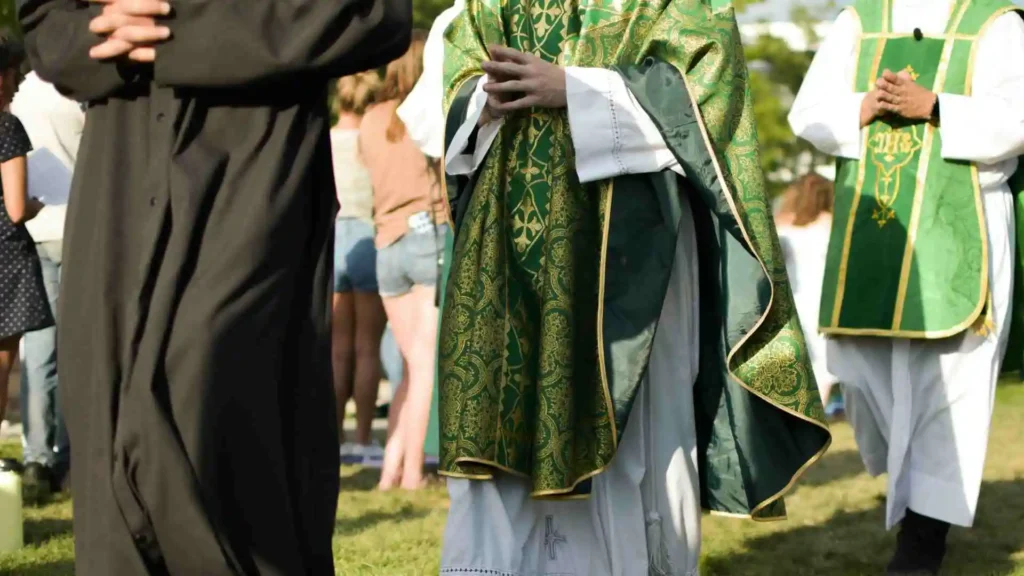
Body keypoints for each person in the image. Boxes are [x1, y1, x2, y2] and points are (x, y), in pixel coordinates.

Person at [436, 0, 832, 573]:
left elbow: (706, 91)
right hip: (506, 249)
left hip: (630, 248)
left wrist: (577, 90)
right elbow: (458, 78)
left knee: (633, 434)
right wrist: (481, 100)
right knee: (500, 422)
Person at [18, 0, 411, 572]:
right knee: (109, 427)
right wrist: (95, 35)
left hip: (250, 176)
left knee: (213, 415)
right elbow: (46, 20)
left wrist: (179, 34)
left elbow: (371, 13)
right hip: (120, 184)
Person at [788, 0, 1024, 573]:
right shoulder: (858, 19)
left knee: (949, 387)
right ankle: (914, 493)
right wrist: (864, 106)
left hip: (960, 223)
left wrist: (937, 106)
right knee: (865, 379)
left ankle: (921, 546)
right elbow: (808, 112)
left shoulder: (996, 21)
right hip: (873, 229)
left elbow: (1019, 118)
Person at [360, 30, 449, 491]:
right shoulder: (424, 115)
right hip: (423, 235)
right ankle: (414, 473)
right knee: (425, 364)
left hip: (385, 243)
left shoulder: (370, 118)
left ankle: (390, 470)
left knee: (410, 366)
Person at [10, 70, 84, 501]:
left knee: (39, 351)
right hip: (76, 224)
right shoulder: (81, 91)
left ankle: (36, 454)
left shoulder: (21, 96)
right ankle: (69, 454)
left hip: (34, 231)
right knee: (76, 348)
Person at [331, 71, 388, 467]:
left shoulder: (326, 139)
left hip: (334, 239)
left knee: (337, 349)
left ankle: (333, 436)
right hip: (370, 236)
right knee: (368, 347)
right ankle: (365, 438)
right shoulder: (375, 140)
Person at [0, 38, 52, 442]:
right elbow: (16, 209)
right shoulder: (6, 127)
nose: (18, 82)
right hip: (5, 258)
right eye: (14, 73)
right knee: (1, 363)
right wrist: (38, 203)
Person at [775, 173, 843, 417]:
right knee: (822, 363)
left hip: (791, 298)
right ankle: (817, 413)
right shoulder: (832, 223)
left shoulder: (781, 224)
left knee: (797, 360)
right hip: (822, 299)